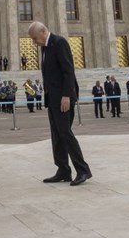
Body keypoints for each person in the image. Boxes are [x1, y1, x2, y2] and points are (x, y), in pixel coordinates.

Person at [28, 21, 91, 185]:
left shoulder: (59, 42)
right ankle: (63, 169)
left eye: (35, 38)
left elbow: (68, 70)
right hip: (53, 98)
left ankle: (83, 170)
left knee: (65, 133)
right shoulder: (45, 47)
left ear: (43, 31)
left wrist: (66, 95)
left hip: (63, 98)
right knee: (56, 135)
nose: (34, 42)